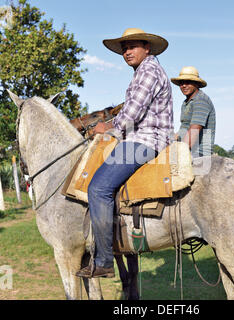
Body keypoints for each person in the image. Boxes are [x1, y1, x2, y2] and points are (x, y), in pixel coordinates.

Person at [76, 28, 173, 278]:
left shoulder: (149, 71)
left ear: (147, 47)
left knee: (97, 188)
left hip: (145, 141)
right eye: (124, 48)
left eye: (132, 46)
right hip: (141, 139)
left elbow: (131, 115)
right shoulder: (142, 72)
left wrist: (105, 127)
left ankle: (105, 260)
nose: (127, 52)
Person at [171, 66, 216, 158]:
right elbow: (183, 129)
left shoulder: (201, 100)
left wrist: (179, 154)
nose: (184, 85)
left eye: (188, 82)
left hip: (199, 152)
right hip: (187, 148)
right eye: (181, 83)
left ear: (197, 84)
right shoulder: (186, 102)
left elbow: (194, 131)